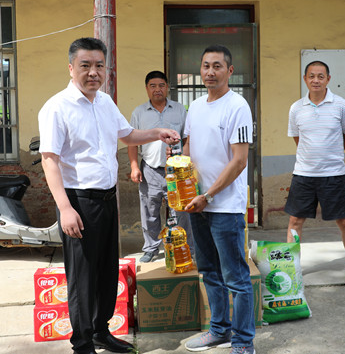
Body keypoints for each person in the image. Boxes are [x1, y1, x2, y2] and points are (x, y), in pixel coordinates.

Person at [38, 38, 180, 354]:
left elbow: (127, 135)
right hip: (78, 202)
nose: (93, 72)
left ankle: (101, 331)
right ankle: (82, 343)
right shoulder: (57, 107)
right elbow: (50, 160)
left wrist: (157, 133)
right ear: (71, 68)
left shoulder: (104, 102)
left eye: (99, 65)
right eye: (85, 65)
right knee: (82, 277)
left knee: (106, 271)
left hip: (106, 199)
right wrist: (65, 208)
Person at [182, 45, 255, 354]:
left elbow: (239, 161)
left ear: (229, 71)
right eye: (205, 66)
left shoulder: (238, 106)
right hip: (197, 204)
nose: (210, 72)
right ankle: (219, 331)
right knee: (209, 272)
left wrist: (208, 195)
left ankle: (243, 342)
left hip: (224, 207)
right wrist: (183, 186)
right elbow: (188, 148)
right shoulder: (196, 106)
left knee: (236, 278)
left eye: (217, 66)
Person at [284, 60, 345, 289]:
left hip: (333, 174)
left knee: (344, 220)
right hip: (303, 174)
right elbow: (298, 139)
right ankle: (291, 268)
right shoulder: (296, 108)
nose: (315, 80)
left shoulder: (342, 106)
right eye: (311, 76)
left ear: (328, 79)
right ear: (305, 79)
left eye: (320, 76)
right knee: (295, 221)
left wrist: (329, 154)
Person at [128, 70, 193, 263]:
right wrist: (134, 167)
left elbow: (188, 138)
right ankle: (151, 248)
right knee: (149, 211)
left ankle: (185, 247)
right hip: (150, 170)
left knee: (181, 211)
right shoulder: (139, 112)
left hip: (177, 171)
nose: (157, 89)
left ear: (167, 87)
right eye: (153, 86)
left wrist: (185, 161)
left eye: (161, 85)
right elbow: (131, 142)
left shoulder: (179, 109)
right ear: (147, 89)